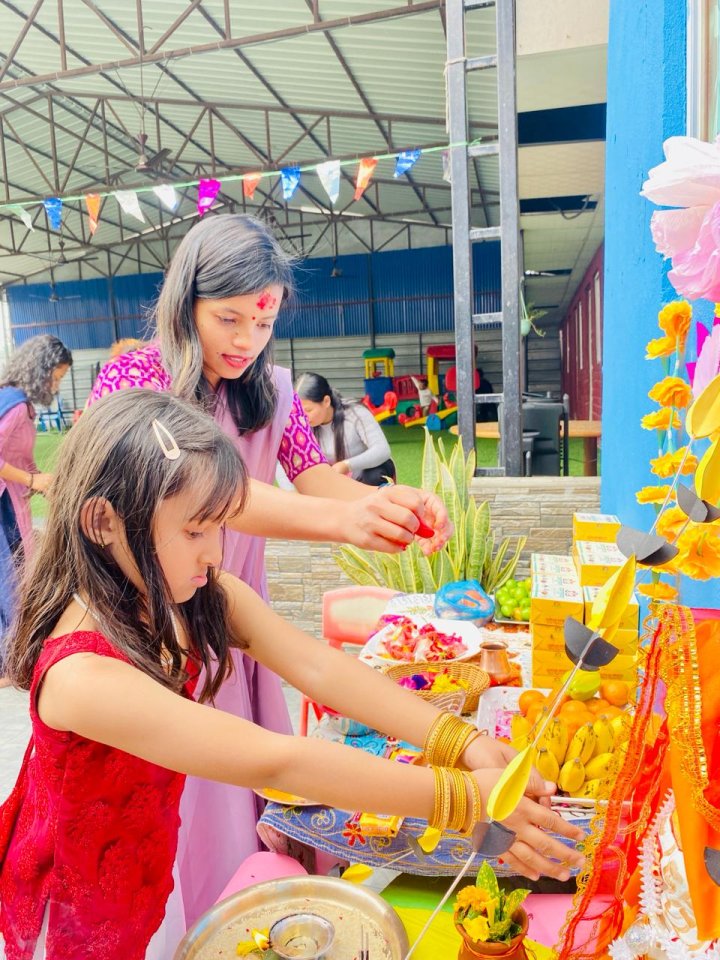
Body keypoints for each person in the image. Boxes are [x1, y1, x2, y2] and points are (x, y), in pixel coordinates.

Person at [0, 390, 584, 960]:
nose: (215, 553)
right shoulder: (81, 676)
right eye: (196, 530)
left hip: (143, 855)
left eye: (220, 526)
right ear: (103, 520)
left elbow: (316, 666)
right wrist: (463, 797)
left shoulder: (188, 595)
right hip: (73, 895)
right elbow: (278, 761)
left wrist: (462, 741)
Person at [86, 213, 451, 922]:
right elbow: (208, 495)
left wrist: (389, 503)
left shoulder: (272, 388)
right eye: (228, 320)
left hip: (234, 616)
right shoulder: (138, 377)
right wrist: (343, 522)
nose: (246, 341)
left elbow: (313, 482)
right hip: (155, 624)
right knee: (187, 801)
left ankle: (245, 917)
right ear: (186, 302)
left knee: (249, 788)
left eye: (263, 323)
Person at [0, 335, 72, 683]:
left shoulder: (21, 406)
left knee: (17, 575)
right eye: (55, 377)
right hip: (4, 507)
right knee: (10, 580)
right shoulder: (13, 405)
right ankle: (8, 663)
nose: (56, 385)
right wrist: (32, 481)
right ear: (40, 370)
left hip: (13, 501)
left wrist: (43, 479)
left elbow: (18, 458)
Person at [295, 372, 396, 486]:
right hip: (336, 482)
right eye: (299, 411)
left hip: (367, 476)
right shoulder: (301, 423)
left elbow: (382, 450)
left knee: (373, 476)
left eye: (308, 410)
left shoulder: (355, 413)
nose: (303, 417)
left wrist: (346, 465)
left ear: (326, 401)